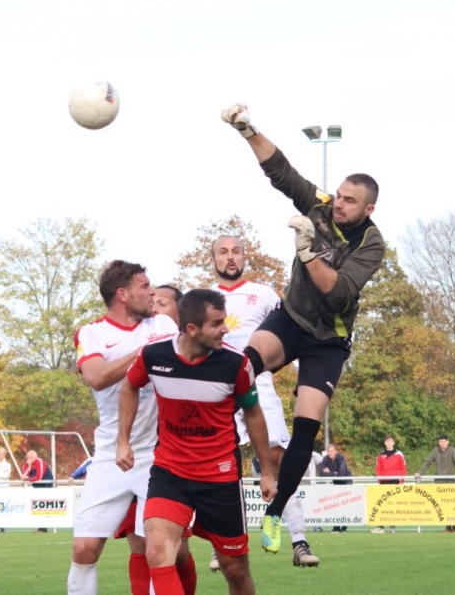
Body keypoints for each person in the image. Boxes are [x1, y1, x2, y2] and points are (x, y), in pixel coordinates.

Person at [221, 103, 385, 554]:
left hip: (328, 343)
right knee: (240, 370)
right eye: (339, 196)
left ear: (369, 208)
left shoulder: (372, 244)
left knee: (305, 428)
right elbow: (281, 171)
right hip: (290, 321)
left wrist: (308, 252)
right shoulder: (321, 205)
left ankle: (275, 515)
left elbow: (338, 294)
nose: (339, 204)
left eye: (350, 201)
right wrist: (247, 130)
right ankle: (216, 456)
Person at [116, 288, 277, 595]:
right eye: (216, 323)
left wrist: (267, 471)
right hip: (170, 472)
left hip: (220, 478)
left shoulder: (236, 363)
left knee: (234, 569)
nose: (225, 329)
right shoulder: (154, 355)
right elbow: (129, 386)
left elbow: (254, 414)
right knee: (157, 551)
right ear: (192, 329)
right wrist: (123, 441)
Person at [68, 260, 187, 595]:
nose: (152, 292)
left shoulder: (163, 323)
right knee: (84, 549)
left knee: (163, 552)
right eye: (145, 286)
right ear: (123, 294)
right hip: (111, 454)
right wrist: (146, 352)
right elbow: (96, 377)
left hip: (162, 455)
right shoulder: (92, 333)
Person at [210, 234, 320, 568]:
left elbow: (295, 332)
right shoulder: (202, 298)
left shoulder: (264, 294)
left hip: (258, 385)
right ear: (213, 259)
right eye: (223, 252)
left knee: (279, 458)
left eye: (236, 251)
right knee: (218, 467)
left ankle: (299, 541)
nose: (230, 257)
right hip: (216, 389)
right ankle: (221, 544)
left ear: (245, 258)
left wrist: (304, 377)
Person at [414, 434, 455, 532]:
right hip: (439, 482)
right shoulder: (435, 451)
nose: (442, 444)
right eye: (440, 442)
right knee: (443, 505)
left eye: (444, 442)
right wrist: (420, 472)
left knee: (452, 504)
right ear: (438, 443)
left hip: (450, 482)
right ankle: (447, 526)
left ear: (447, 442)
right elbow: (427, 462)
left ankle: (454, 525)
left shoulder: (452, 450)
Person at [373, 437, 404, 534]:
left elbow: (403, 468)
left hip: (394, 481)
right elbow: (378, 468)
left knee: (392, 504)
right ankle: (380, 526)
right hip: (383, 482)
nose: (389, 443)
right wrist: (379, 480)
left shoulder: (399, 454)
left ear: (393, 443)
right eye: (387, 441)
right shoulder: (381, 454)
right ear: (384, 443)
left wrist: (401, 481)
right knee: (381, 504)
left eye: (390, 441)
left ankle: (392, 526)